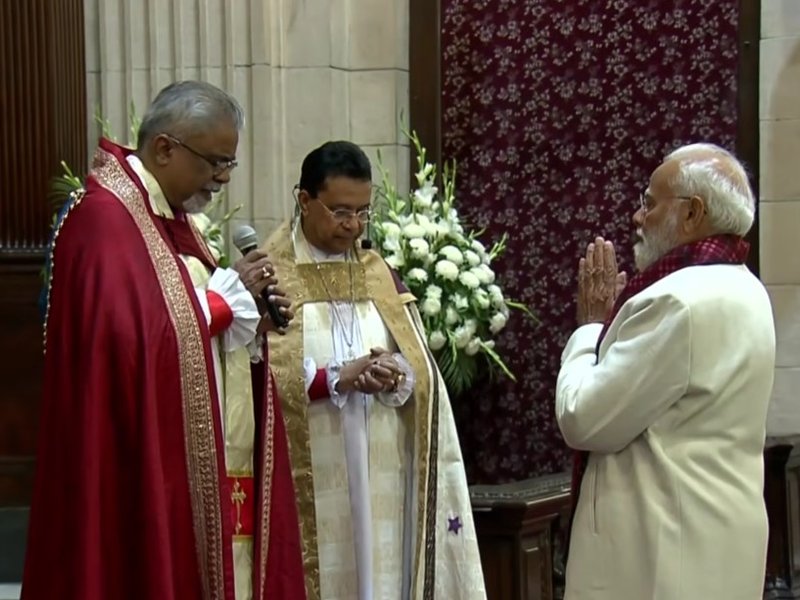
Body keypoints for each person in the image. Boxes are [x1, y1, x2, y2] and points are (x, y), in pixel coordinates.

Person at [23, 81, 306, 600]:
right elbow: (123, 345)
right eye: (215, 161)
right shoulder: (104, 219)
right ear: (164, 149)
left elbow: (183, 322)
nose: (222, 177)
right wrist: (224, 304)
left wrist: (251, 322)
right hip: (131, 462)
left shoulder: (175, 223)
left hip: (196, 455)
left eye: (230, 164)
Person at [262, 141, 486, 599]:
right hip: (315, 467)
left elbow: (419, 370)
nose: (354, 226)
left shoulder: (378, 273)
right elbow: (249, 384)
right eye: (341, 211)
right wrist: (333, 379)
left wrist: (396, 373)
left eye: (364, 212)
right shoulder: (269, 278)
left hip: (383, 463)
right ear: (304, 200)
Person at [555, 143, 776, 599]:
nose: (638, 216)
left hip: (661, 557)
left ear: (693, 213)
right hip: (713, 543)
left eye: (650, 202)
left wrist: (590, 329)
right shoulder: (748, 288)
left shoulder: (676, 300)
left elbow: (584, 417)